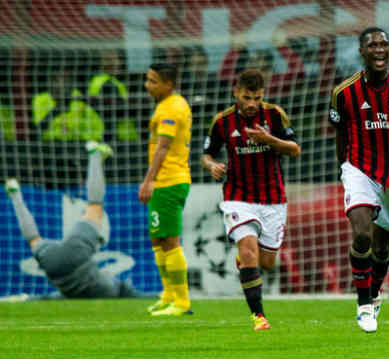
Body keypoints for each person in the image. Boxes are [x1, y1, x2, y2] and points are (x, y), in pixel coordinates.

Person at [329, 27, 389, 333]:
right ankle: (364, 305)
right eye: (373, 45)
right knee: (361, 235)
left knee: (382, 248)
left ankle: (374, 291)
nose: (379, 49)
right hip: (359, 168)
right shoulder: (344, 93)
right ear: (362, 52)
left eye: (384, 44)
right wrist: (345, 168)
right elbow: (340, 133)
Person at [201, 69, 301, 330]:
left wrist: (269, 139)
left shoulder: (275, 115)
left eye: (256, 97)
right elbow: (207, 154)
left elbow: (295, 150)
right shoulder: (222, 121)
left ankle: (246, 262)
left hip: (273, 199)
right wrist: (211, 165)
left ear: (263, 94)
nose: (251, 104)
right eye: (246, 97)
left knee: (266, 263)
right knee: (248, 250)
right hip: (238, 197)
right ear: (236, 93)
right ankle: (259, 316)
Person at [4, 141, 147, 299]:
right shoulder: (111, 289)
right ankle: (15, 195)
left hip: (72, 256)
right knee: (34, 240)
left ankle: (94, 155)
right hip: (65, 268)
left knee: (94, 206)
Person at [139, 63, 193, 316]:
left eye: (153, 81)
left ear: (168, 84)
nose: (147, 85)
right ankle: (168, 294)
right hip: (165, 180)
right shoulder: (167, 104)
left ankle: (181, 302)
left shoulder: (171, 107)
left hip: (170, 180)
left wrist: (148, 180)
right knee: (157, 238)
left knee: (170, 240)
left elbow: (163, 147)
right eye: (148, 80)